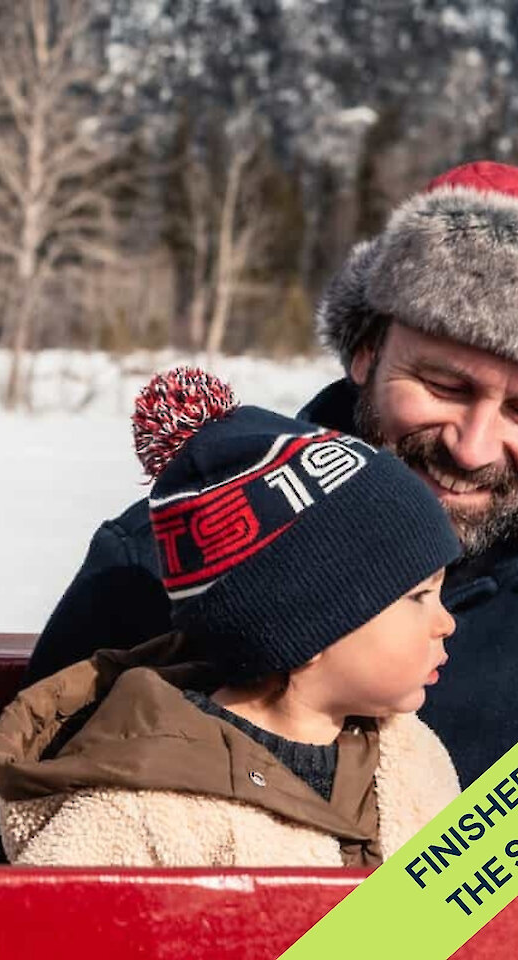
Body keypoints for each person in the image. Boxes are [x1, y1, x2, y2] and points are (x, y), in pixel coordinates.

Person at [27, 160, 518, 785]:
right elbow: (33, 823)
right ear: (365, 353)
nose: (473, 448)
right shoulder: (172, 557)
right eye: (444, 385)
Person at [0, 367, 460, 866]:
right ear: (307, 629)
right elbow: (52, 932)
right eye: (418, 597)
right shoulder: (144, 810)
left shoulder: (409, 758)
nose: (446, 622)